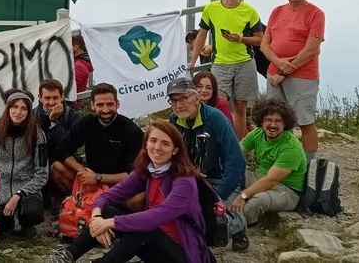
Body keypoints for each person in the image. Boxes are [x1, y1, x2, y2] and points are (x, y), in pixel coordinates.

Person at [48, 121, 211, 263]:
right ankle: (68, 255)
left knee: (145, 228)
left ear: (175, 150)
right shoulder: (148, 171)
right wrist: (97, 218)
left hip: (184, 254)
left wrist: (110, 223)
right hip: (153, 244)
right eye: (153, 141)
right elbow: (107, 196)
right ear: (146, 144)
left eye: (165, 143)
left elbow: (158, 216)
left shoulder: (184, 180)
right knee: (107, 210)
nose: (157, 147)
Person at [165, 78, 248, 251]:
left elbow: (236, 159)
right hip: (192, 179)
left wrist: (218, 195)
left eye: (183, 99)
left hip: (221, 178)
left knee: (217, 224)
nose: (178, 105)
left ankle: (238, 225)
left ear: (196, 98)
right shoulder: (174, 120)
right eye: (174, 100)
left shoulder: (215, 118)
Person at [188, 0, 264, 140]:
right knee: (216, 103)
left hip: (245, 62)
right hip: (221, 63)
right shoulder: (211, 8)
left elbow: (260, 39)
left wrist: (241, 39)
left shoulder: (249, 10)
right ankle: (215, 140)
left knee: (240, 106)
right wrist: (192, 61)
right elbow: (201, 35)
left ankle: (238, 145)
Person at [261, 0, 326, 161]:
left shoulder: (316, 13)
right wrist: (277, 62)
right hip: (274, 74)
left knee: (305, 122)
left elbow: (311, 49)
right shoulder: (277, 11)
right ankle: (277, 160)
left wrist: (283, 69)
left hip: (303, 75)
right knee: (274, 120)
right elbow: (265, 43)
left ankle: (308, 166)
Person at [0, 90, 48, 238]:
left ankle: (26, 224)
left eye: (23, 108)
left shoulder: (37, 134)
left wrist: (19, 194)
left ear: (29, 111)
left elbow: (42, 174)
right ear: (8, 108)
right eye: (14, 107)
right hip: (0, 188)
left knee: (33, 212)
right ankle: (7, 223)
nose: (18, 112)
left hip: (26, 189)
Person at [233, 98, 307, 226]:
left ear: (285, 124)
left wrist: (243, 196)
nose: (273, 125)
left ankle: (234, 227)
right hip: (259, 178)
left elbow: (271, 180)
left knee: (258, 201)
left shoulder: (291, 148)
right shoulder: (257, 134)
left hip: (285, 190)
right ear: (261, 121)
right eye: (268, 120)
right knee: (233, 172)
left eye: (278, 121)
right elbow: (235, 154)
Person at [64, 84, 144, 189]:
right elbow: (62, 149)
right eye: (100, 105)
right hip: (90, 177)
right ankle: (76, 199)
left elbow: (134, 174)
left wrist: (98, 178)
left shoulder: (132, 131)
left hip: (118, 183)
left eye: (110, 104)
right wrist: (83, 171)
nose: (105, 110)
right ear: (92, 105)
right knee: (56, 168)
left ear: (117, 104)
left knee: (137, 200)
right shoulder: (86, 122)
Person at [35, 79, 81, 197]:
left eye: (55, 98)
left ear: (62, 97)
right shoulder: (32, 115)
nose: (51, 102)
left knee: (58, 167)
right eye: (47, 98)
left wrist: (54, 122)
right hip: (39, 162)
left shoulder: (72, 115)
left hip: (65, 161)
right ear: (40, 98)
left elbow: (70, 145)